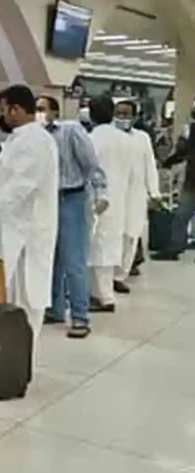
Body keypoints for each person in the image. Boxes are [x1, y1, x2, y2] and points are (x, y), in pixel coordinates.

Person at [0, 85, 59, 352]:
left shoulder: (37, 141)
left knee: (29, 295)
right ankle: (4, 350)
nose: (2, 115)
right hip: (11, 229)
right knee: (8, 293)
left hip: (30, 231)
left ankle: (22, 356)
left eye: (4, 109)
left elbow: (21, 185)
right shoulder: (18, 139)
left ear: (16, 110)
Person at [36, 95, 107, 339]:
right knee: (51, 257)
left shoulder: (71, 131)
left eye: (42, 109)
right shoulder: (35, 137)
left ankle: (80, 316)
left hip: (72, 199)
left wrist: (100, 193)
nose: (39, 113)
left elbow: (92, 165)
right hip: (47, 201)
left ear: (54, 112)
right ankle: (55, 309)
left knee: (73, 259)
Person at [87, 96, 133, 313]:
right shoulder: (125, 139)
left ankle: (103, 297)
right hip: (120, 199)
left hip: (99, 200)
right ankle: (102, 294)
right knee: (109, 247)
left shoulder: (93, 139)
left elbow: (90, 170)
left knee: (97, 248)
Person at [113, 100, 161, 292]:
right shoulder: (108, 136)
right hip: (114, 194)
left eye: (126, 114)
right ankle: (105, 277)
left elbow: (150, 165)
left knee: (131, 236)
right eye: (119, 113)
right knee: (112, 236)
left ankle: (120, 275)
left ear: (134, 117)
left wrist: (154, 192)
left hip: (135, 194)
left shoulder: (142, 138)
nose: (122, 118)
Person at [152, 113, 195, 261]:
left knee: (181, 215)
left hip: (191, 180)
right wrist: (168, 162)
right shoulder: (191, 130)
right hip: (192, 180)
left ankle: (175, 247)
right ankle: (174, 247)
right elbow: (183, 151)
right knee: (181, 215)